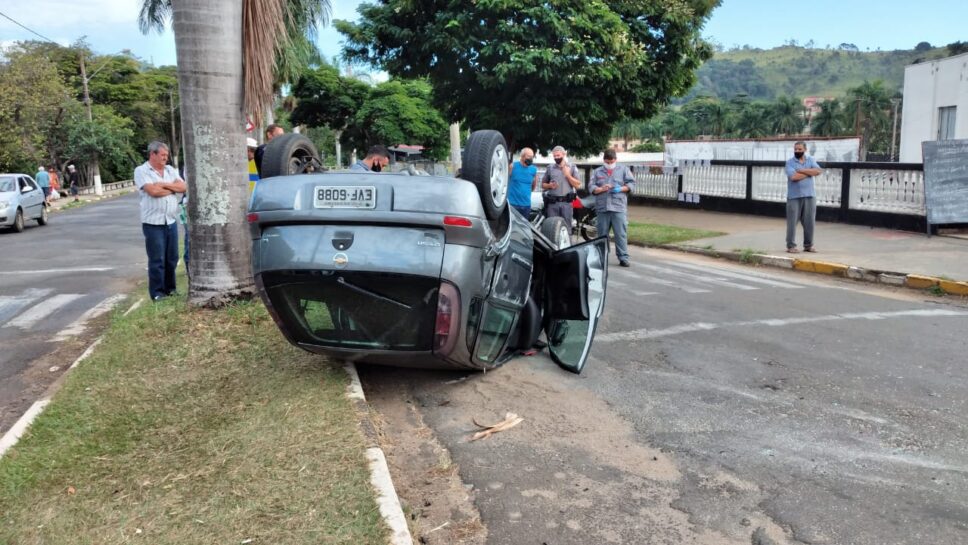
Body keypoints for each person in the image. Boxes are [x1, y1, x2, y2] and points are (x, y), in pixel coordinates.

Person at [134, 141, 187, 301]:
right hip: (153, 223)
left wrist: (164, 184)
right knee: (157, 259)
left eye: (166, 155)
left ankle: (171, 289)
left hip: (170, 221)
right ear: (152, 154)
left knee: (172, 258)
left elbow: (184, 187)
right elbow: (153, 191)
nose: (165, 158)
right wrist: (172, 189)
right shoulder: (142, 171)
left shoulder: (170, 170)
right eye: (162, 155)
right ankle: (157, 293)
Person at [590, 149, 636, 267]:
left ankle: (623, 257)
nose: (609, 164)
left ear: (616, 160)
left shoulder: (624, 170)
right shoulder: (597, 172)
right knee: (601, 234)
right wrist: (600, 189)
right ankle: (601, 257)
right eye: (607, 161)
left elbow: (632, 184)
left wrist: (620, 189)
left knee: (620, 234)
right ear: (604, 160)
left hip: (618, 207)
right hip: (602, 208)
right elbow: (591, 186)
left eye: (612, 161)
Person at [784, 141, 823, 253]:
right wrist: (810, 172)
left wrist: (802, 170)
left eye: (799, 149)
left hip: (810, 195)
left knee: (809, 222)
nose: (797, 151)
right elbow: (794, 177)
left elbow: (818, 171)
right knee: (792, 222)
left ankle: (808, 245)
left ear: (805, 150)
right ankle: (791, 246)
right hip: (794, 197)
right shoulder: (790, 163)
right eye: (795, 149)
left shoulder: (810, 160)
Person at [540, 145, 582, 228]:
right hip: (553, 204)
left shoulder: (572, 167)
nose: (556, 158)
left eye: (558, 155)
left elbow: (578, 185)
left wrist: (568, 175)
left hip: (566, 204)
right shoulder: (550, 168)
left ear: (563, 154)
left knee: (566, 228)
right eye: (554, 156)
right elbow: (543, 185)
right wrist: (550, 185)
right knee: (552, 228)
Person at [508, 147, 538, 218]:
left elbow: (533, 186)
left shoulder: (534, 169)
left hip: (526, 205)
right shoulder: (512, 166)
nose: (531, 158)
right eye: (529, 156)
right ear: (522, 156)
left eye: (532, 156)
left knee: (524, 227)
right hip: (512, 204)